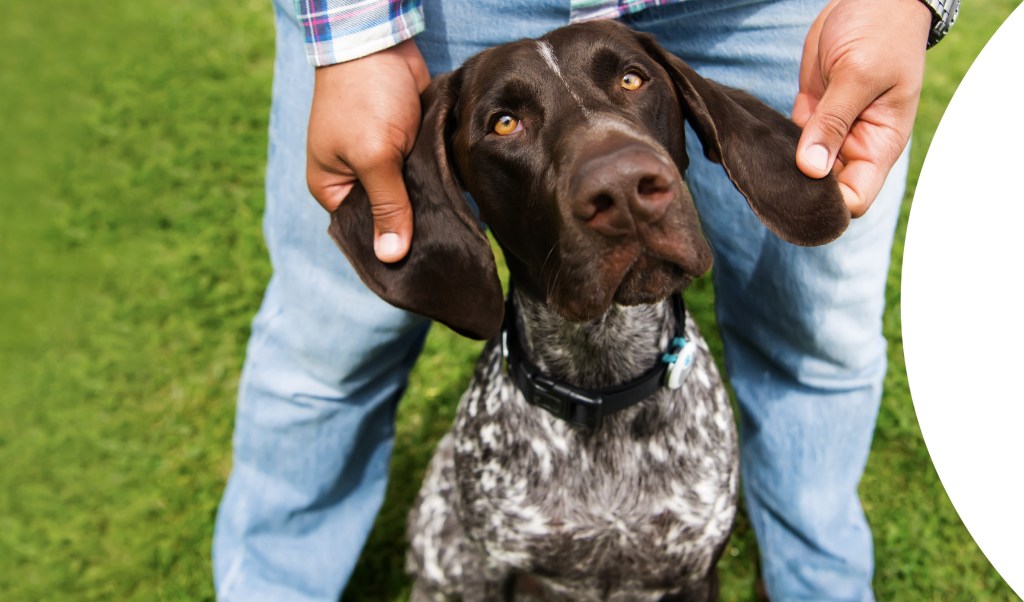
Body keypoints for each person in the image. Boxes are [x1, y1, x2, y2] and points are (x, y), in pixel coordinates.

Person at [212, 0, 954, 599]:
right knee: (324, 359)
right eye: (505, 123)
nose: (619, 178)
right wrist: (352, 36)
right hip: (433, 15)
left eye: (632, 87)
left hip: (759, 10)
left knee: (818, 344)